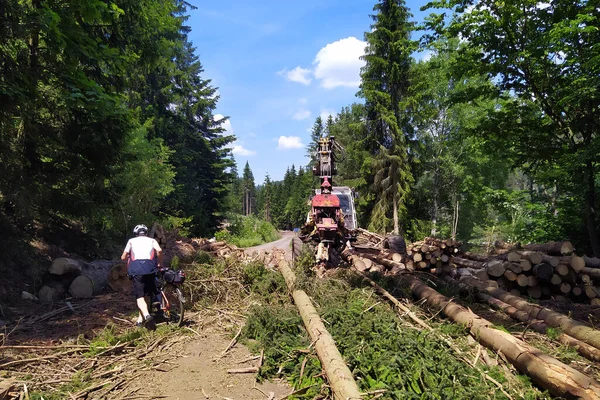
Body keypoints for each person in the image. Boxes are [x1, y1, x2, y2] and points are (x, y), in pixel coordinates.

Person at [121, 224, 163, 330]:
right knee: (147, 294)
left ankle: (147, 316)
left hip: (137, 270)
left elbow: (123, 257)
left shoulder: (131, 241)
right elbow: (159, 251)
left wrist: (128, 256)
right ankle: (141, 319)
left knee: (140, 296)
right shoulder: (152, 240)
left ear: (136, 233)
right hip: (150, 269)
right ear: (146, 232)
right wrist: (159, 263)